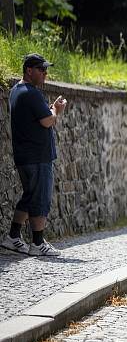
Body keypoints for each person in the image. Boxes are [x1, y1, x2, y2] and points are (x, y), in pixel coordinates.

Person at [2, 54, 66, 256]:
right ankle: (37, 243)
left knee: (29, 196)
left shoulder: (16, 90)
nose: (45, 73)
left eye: (46, 69)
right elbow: (47, 121)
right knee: (39, 198)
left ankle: (13, 237)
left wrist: (49, 110)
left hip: (24, 156)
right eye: (41, 69)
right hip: (37, 157)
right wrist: (56, 109)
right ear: (29, 70)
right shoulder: (31, 93)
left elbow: (35, 117)